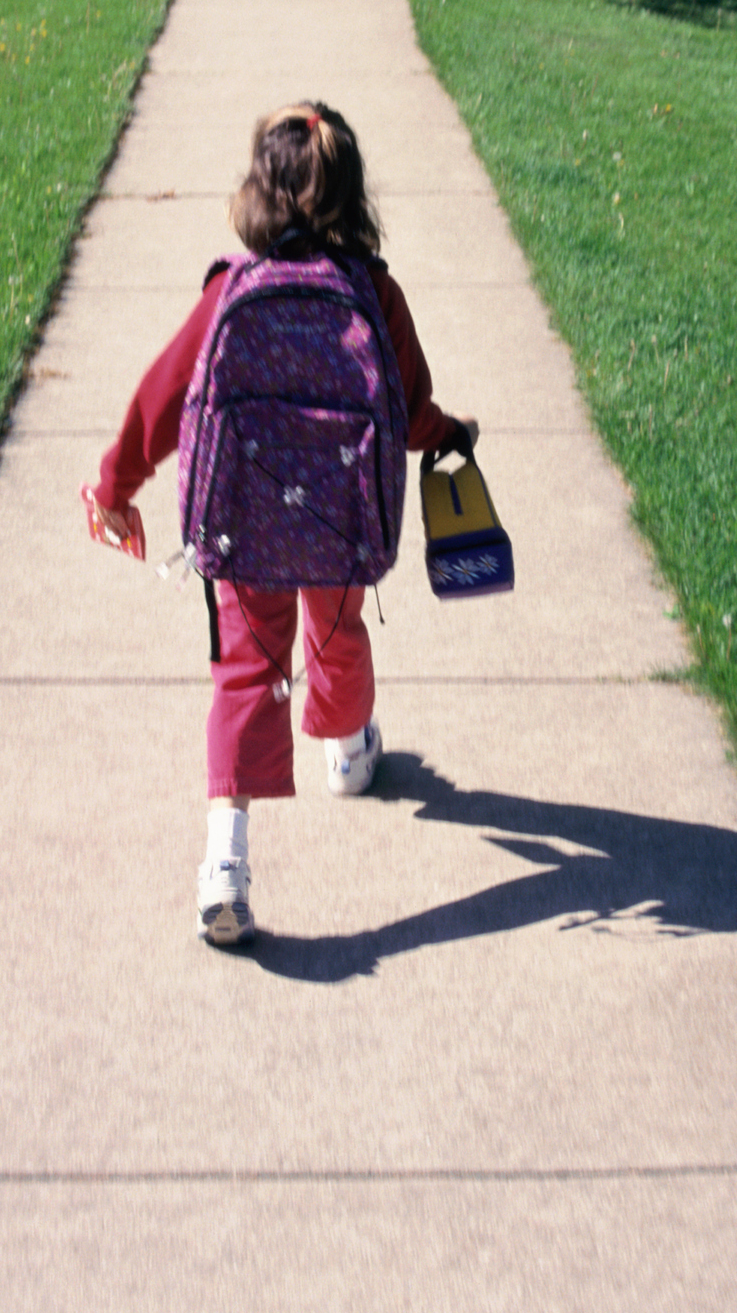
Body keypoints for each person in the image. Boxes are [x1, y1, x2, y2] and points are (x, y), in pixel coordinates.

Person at [85, 102, 478, 947]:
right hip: (339, 523)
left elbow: (160, 399)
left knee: (246, 669)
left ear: (258, 191)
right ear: (352, 193)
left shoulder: (232, 288)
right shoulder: (374, 291)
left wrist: (115, 486)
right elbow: (408, 414)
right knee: (336, 642)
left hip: (241, 522)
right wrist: (451, 438)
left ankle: (224, 864)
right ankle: (345, 747)